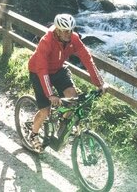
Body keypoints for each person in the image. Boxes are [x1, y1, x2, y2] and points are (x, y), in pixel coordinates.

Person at [27, 13, 105, 151]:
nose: (68, 34)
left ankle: (62, 128)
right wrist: (50, 94)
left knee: (72, 97)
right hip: (38, 72)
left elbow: (87, 58)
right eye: (64, 31)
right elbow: (42, 69)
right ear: (57, 30)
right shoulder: (46, 41)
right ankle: (33, 134)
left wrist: (99, 83)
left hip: (57, 69)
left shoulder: (73, 39)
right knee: (45, 111)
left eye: (70, 30)